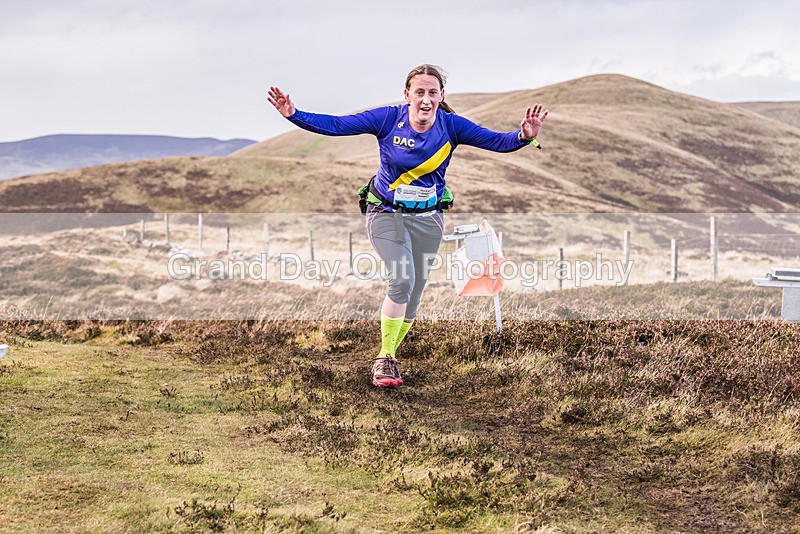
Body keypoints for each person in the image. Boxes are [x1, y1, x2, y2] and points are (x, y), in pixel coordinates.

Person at [268, 64, 548, 388]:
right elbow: (337, 125)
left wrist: (523, 136)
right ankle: (384, 360)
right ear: (407, 95)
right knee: (401, 280)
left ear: (441, 96)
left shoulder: (451, 126)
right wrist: (293, 114)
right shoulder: (387, 118)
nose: (425, 100)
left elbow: (496, 142)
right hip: (386, 212)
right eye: (419, 92)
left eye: (432, 93)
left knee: (414, 295)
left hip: (428, 219)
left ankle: (389, 356)